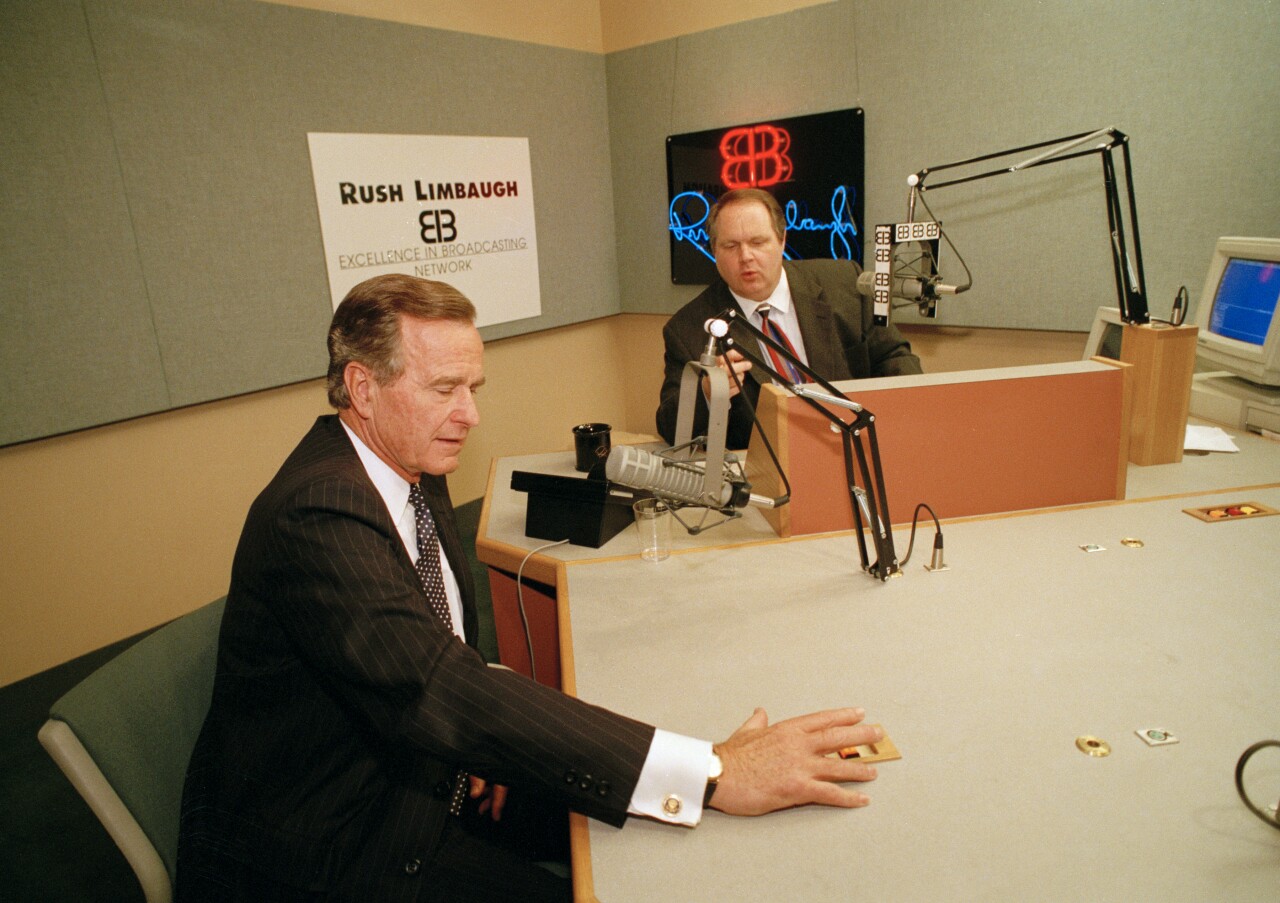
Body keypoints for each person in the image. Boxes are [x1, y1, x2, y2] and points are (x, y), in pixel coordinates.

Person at [176, 273, 884, 902]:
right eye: (443, 389)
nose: (470, 415)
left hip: (426, 763)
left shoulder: (411, 458)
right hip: (343, 841)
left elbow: (425, 649)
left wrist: (478, 748)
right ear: (363, 387)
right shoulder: (318, 511)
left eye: (473, 388)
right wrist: (714, 769)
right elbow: (434, 687)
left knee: (653, 833)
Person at [656, 188, 923, 450]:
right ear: (714, 250)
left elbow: (895, 358)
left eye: (758, 242)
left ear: (782, 240)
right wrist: (706, 393)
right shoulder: (688, 329)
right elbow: (670, 427)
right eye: (731, 245)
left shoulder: (845, 284)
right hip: (769, 471)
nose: (746, 256)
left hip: (855, 445)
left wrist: (907, 421)